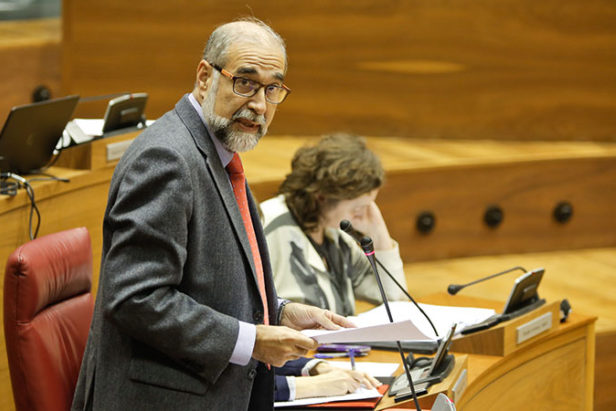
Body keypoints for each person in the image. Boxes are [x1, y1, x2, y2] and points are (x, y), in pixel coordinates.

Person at [72, 19, 357, 411]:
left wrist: (281, 312)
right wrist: (253, 340)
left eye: (272, 89)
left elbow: (207, 283)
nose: (258, 104)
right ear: (205, 77)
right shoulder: (168, 158)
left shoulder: (215, 152)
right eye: (245, 82)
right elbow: (137, 298)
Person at [261, 133, 408, 317]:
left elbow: (393, 299)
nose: (363, 215)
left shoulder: (336, 233)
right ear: (322, 196)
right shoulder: (271, 230)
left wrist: (380, 237)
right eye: (358, 208)